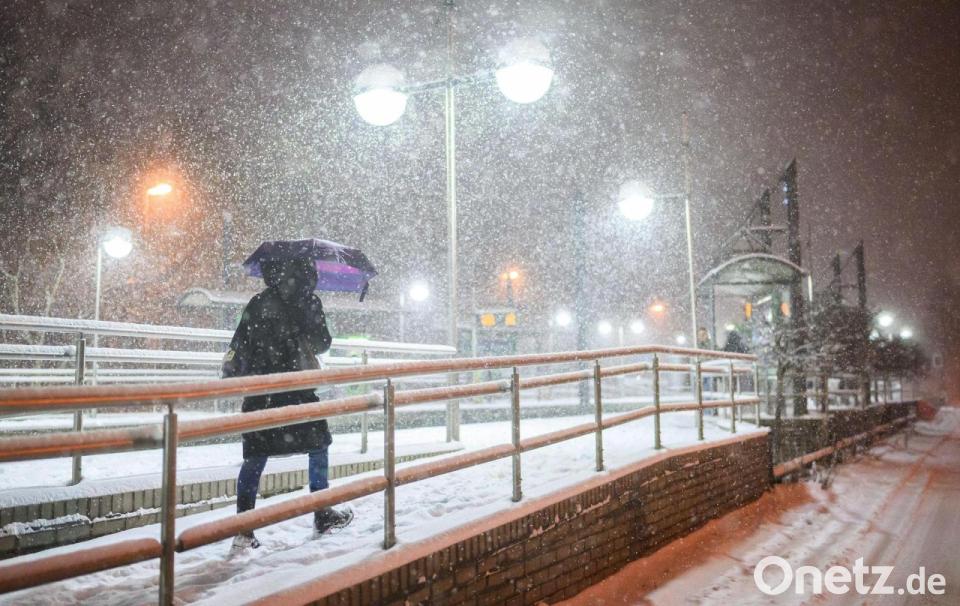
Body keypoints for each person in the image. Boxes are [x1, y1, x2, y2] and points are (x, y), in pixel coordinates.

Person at [222, 257, 352, 550]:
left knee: (255, 456)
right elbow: (322, 343)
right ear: (308, 275)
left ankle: (244, 529)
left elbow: (240, 343)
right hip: (297, 391)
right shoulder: (308, 302)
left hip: (261, 392)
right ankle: (321, 511)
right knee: (319, 446)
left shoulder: (258, 302)